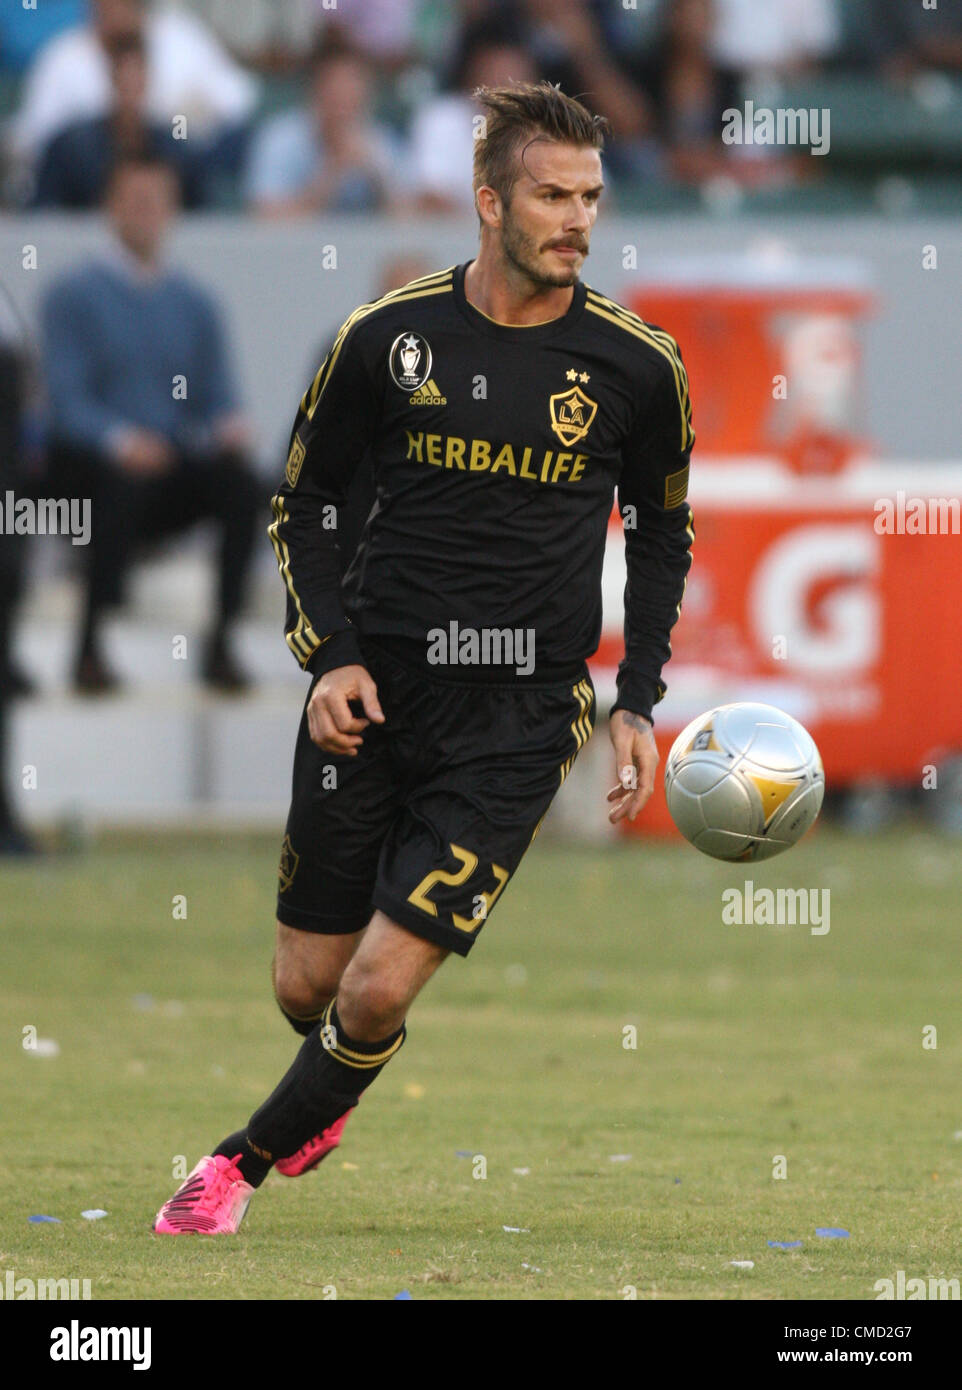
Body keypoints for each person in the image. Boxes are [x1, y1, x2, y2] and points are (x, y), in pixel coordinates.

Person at [153, 79, 695, 1234]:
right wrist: (331, 657)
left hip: (517, 717)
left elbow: (659, 535)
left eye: (589, 196)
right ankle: (327, 1084)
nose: (576, 219)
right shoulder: (383, 340)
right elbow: (303, 503)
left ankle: (227, 1173)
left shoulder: (637, 366)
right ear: (488, 201)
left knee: (379, 983)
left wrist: (636, 699)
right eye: (550, 195)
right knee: (308, 987)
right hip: (374, 696)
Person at [42, 153, 261, 693]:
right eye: (133, 200)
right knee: (119, 483)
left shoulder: (194, 302)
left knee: (242, 485)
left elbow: (216, 396)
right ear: (110, 206)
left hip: (169, 463)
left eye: (156, 201)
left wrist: (225, 427)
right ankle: (90, 646)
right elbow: (66, 400)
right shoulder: (71, 296)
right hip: (97, 467)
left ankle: (221, 640)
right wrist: (120, 441)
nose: (146, 212)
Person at [32, 31, 203, 210]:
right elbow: (45, 214)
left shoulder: (175, 150)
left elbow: (200, 213)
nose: (130, 86)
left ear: (147, 79)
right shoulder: (70, 147)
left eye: (137, 76)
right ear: (111, 77)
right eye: (124, 76)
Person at [244, 34, 408, 218]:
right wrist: (331, 172)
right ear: (314, 89)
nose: (343, 96)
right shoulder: (280, 138)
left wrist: (376, 175)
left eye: (353, 85)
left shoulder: (382, 142)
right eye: (334, 86)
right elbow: (266, 219)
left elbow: (410, 224)